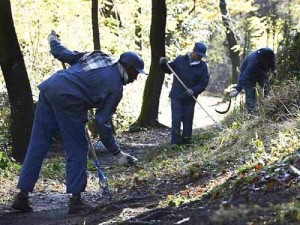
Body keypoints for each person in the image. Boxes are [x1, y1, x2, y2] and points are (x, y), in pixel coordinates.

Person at [11, 30, 147, 213]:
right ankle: (76, 200)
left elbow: (65, 54)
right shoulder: (115, 88)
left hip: (50, 87)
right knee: (78, 148)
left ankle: (22, 195)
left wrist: (53, 41)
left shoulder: (101, 56)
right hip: (69, 100)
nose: (135, 78)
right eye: (136, 73)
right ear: (129, 68)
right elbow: (102, 122)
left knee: (38, 144)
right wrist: (117, 154)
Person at [159, 42, 209, 145]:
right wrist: (162, 64)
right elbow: (169, 69)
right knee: (176, 119)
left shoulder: (203, 67)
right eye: (198, 54)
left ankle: (187, 142)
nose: (200, 57)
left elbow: (203, 83)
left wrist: (194, 90)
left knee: (188, 120)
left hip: (190, 98)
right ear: (193, 51)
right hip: (176, 96)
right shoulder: (180, 59)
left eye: (201, 56)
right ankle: (175, 143)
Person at [229, 48, 276, 113]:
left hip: (261, 72)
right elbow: (245, 76)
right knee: (250, 94)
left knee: (266, 87)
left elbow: (273, 66)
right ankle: (251, 113)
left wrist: (274, 72)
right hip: (249, 76)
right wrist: (238, 89)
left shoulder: (270, 55)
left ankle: (269, 107)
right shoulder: (253, 62)